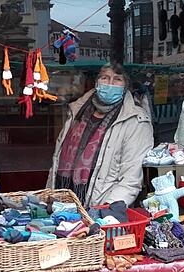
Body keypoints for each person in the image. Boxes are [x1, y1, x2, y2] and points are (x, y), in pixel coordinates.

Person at [46, 62, 154, 207]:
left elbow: (131, 179)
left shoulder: (136, 120)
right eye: (105, 77)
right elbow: (58, 159)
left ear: (125, 86)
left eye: (117, 79)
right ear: (97, 82)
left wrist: (106, 210)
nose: (110, 83)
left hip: (100, 208)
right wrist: (49, 197)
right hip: (61, 202)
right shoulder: (77, 109)